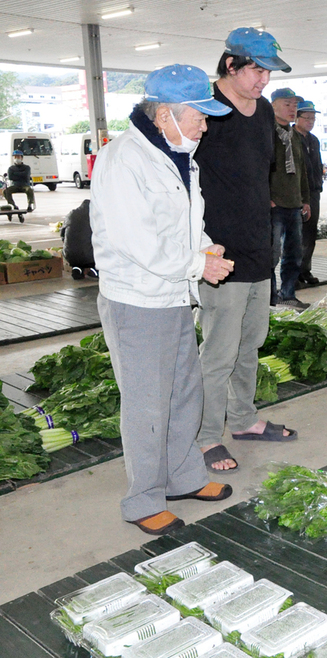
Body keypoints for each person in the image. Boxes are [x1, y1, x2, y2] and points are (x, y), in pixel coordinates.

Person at [89, 64, 235, 535]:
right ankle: (143, 499)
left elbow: (180, 225)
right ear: (166, 113)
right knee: (148, 403)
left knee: (183, 393)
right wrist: (198, 265)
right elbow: (139, 241)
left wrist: (204, 246)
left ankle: (183, 477)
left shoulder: (176, 152)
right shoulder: (123, 160)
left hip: (171, 294)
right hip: (137, 299)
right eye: (199, 116)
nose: (204, 125)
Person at [194, 27, 298, 475]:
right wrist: (198, 249)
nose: (264, 82)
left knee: (250, 343)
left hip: (259, 247)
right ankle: (202, 437)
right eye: (257, 71)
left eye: (268, 73)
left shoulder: (260, 115)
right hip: (220, 252)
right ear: (231, 65)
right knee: (218, 351)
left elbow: (258, 177)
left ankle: (242, 420)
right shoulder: (204, 109)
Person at [269, 87, 311, 308]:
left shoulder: (294, 135)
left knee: (294, 254)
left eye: (295, 105)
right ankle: (270, 298)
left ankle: (288, 293)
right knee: (272, 254)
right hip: (274, 204)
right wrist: (267, 197)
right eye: (287, 104)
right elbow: (259, 167)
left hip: (294, 203)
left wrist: (305, 199)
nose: (292, 109)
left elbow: (301, 169)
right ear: (273, 105)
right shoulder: (267, 131)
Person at [294, 99, 324, 286]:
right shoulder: (290, 137)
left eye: (313, 119)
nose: (310, 122)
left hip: (313, 192)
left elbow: (317, 165)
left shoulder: (313, 140)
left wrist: (318, 186)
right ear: (296, 118)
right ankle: (293, 274)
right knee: (295, 235)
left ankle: (305, 270)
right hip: (295, 194)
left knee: (310, 234)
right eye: (307, 118)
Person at [60, 199, 98, 279]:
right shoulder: (95, 215)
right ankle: (94, 269)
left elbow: (62, 235)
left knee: (78, 252)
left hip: (69, 256)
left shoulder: (71, 214)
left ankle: (77, 269)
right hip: (89, 256)